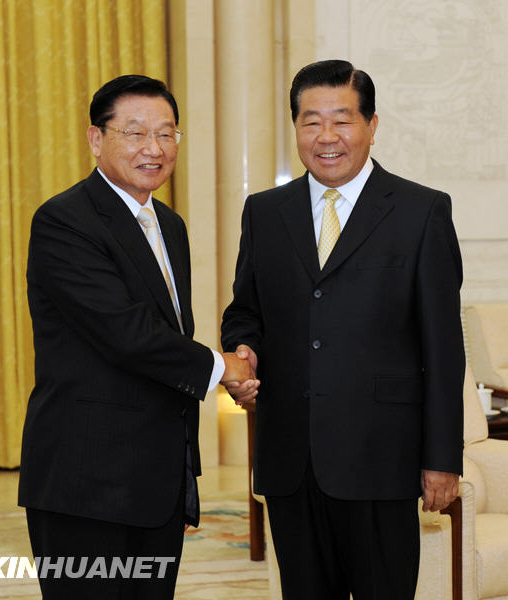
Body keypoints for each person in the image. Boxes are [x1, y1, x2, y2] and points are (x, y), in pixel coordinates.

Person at [221, 60, 465, 600]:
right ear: (296, 127)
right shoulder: (264, 212)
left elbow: (444, 348)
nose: (326, 137)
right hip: (290, 460)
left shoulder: (421, 211)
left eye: (342, 120)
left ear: (371, 125)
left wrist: (442, 459)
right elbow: (245, 311)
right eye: (311, 122)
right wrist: (244, 349)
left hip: (382, 459)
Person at [18, 74, 254, 600]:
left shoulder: (168, 225)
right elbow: (125, 332)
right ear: (95, 139)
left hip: (155, 482)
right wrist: (224, 368)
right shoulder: (65, 221)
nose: (155, 148)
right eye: (136, 133)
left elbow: (169, 337)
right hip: (86, 483)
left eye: (167, 133)